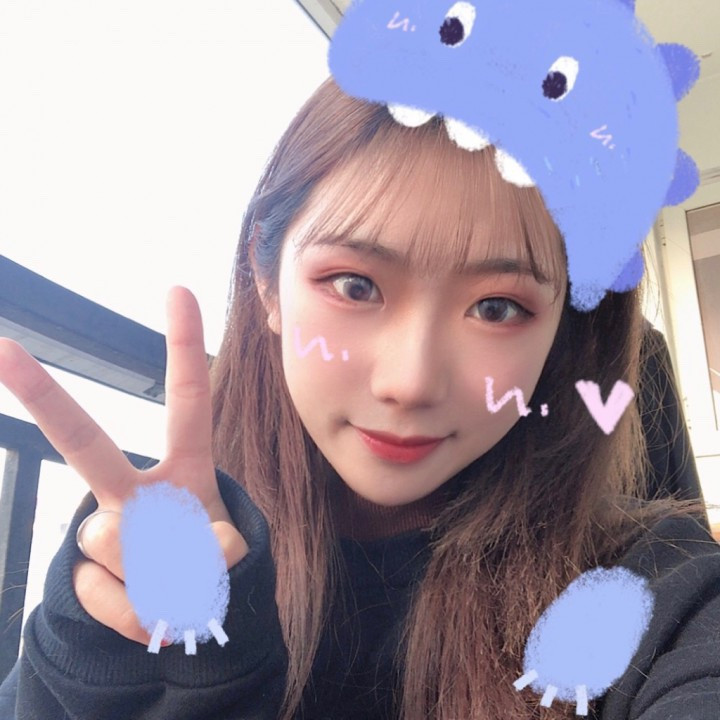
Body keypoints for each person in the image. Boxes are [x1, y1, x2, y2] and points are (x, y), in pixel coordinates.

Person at [0, 77, 719, 720]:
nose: (410, 382)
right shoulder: (144, 556)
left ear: (563, 330)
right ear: (266, 280)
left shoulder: (647, 588)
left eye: (498, 307)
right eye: (355, 285)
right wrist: (108, 677)